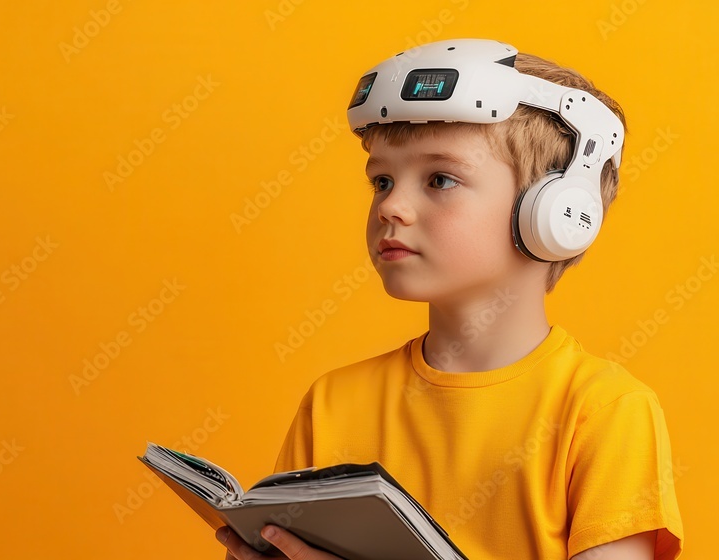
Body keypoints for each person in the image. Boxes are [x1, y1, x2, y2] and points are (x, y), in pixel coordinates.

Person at [217, 39, 684, 560]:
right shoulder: (331, 404)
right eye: (382, 180)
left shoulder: (604, 412)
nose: (391, 205)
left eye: (440, 179)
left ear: (553, 212)